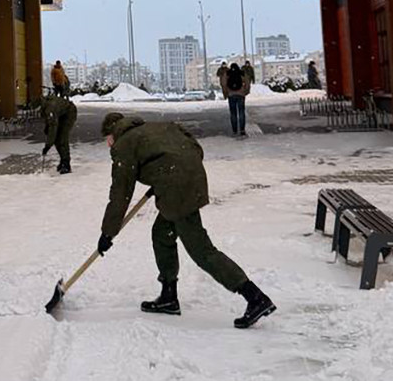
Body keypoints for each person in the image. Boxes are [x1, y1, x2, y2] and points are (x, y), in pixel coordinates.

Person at [96, 112, 276, 329]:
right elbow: (193, 147)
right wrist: (166, 172)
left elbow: (120, 193)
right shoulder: (156, 127)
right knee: (162, 234)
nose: (108, 145)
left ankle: (254, 297)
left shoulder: (123, 144)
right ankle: (168, 295)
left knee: (201, 250)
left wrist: (108, 233)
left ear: (112, 133)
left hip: (177, 189)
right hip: (191, 178)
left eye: (107, 140)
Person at [41, 94, 77, 174]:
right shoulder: (45, 105)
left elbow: (53, 128)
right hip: (61, 114)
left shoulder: (50, 108)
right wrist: (47, 127)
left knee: (62, 138)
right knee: (57, 140)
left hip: (69, 113)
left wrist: (48, 146)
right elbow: (49, 121)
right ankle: (62, 160)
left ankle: (66, 164)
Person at [226, 63, 249, 137]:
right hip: (241, 95)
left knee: (233, 113)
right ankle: (242, 130)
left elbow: (223, 83)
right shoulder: (242, 73)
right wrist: (245, 91)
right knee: (241, 112)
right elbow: (247, 83)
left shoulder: (227, 73)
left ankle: (234, 131)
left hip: (231, 95)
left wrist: (226, 92)